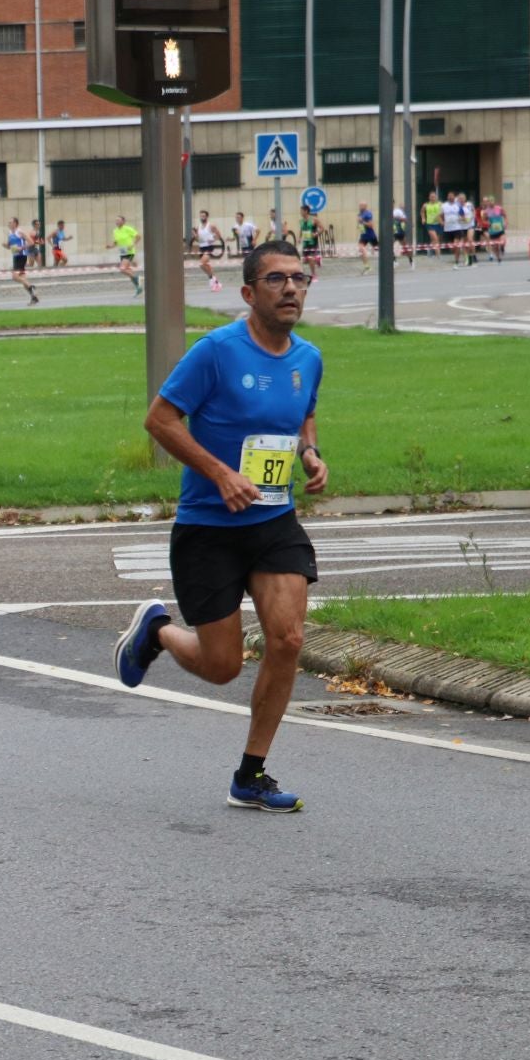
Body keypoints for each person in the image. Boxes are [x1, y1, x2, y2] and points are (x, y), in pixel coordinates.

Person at [115, 240, 328, 814]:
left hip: (273, 519)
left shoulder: (309, 358)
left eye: (299, 278)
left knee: (287, 639)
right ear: (248, 292)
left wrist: (311, 453)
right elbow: (159, 420)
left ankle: (251, 774)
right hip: (209, 524)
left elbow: (303, 413)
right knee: (221, 666)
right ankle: (157, 630)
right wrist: (219, 473)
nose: (291, 289)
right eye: (277, 279)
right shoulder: (216, 351)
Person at [5, 218, 38, 304]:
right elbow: (9, 246)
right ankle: (34, 297)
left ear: (15, 223)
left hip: (21, 256)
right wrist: (5, 245)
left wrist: (21, 248)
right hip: (15, 256)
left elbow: (31, 242)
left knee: (14, 277)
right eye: (9, 222)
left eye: (10, 222)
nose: (9, 223)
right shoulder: (9, 233)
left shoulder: (20, 232)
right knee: (23, 280)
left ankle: (31, 286)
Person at [109, 216, 141, 294]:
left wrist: (133, 245)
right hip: (122, 253)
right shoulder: (115, 231)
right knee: (128, 270)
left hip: (129, 252)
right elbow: (116, 242)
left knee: (122, 269)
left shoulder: (128, 229)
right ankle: (138, 287)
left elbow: (138, 237)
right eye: (116, 220)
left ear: (123, 222)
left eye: (118, 220)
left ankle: (136, 278)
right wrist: (111, 246)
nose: (116, 222)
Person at [193, 211, 223, 291]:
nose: (202, 217)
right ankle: (216, 282)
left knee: (202, 264)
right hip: (202, 247)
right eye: (201, 216)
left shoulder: (211, 226)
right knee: (207, 265)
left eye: (203, 216)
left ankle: (211, 279)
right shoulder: (198, 226)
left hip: (209, 247)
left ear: (207, 217)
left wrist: (213, 239)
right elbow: (198, 239)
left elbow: (219, 235)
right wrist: (195, 235)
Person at [420, 190, 442, 262]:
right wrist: (423, 218)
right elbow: (422, 211)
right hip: (430, 224)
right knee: (435, 239)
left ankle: (429, 248)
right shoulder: (426, 205)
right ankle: (438, 256)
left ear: (436, 197)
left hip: (438, 224)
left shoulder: (439, 204)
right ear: (429, 198)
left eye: (434, 197)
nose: (433, 198)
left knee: (436, 240)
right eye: (431, 197)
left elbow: (443, 212)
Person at [355, 201, 377, 273]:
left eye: (361, 205)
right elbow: (360, 224)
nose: (360, 207)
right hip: (363, 235)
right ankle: (367, 266)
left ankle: (391, 260)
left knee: (379, 249)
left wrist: (362, 221)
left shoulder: (368, 213)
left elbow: (371, 225)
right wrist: (359, 226)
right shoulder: (359, 214)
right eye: (359, 205)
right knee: (361, 249)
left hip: (370, 235)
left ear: (365, 206)